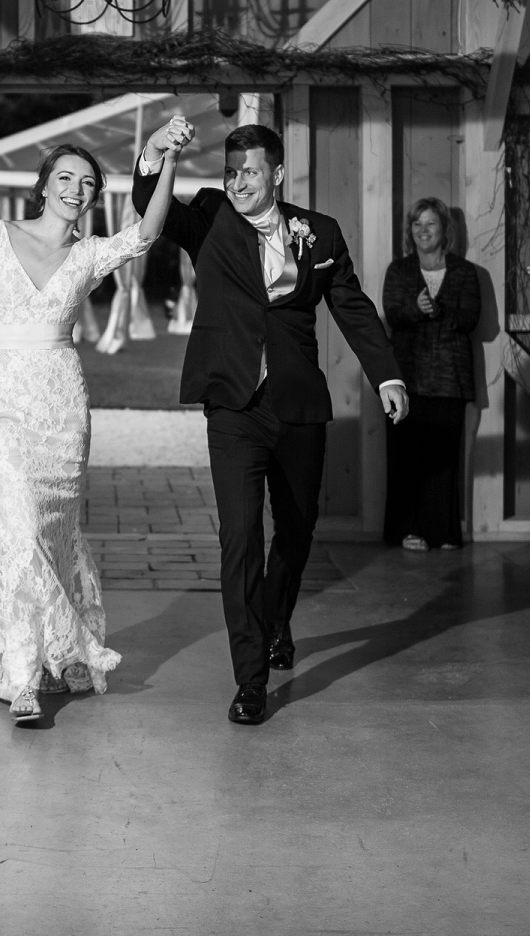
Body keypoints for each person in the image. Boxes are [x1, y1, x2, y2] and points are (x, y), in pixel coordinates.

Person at [0, 137, 184, 723]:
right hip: (3, 400)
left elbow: (146, 233)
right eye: (66, 179)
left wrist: (165, 159)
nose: (77, 191)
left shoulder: (92, 253)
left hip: (62, 405)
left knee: (52, 529)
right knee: (18, 523)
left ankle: (62, 651)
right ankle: (22, 678)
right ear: (43, 185)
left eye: (88, 183)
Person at [131, 122, 407, 727]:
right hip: (233, 405)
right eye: (231, 172)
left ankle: (277, 616)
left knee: (299, 529)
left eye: (249, 172)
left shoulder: (320, 233)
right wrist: (155, 153)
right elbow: (150, 205)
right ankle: (250, 679)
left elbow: (352, 306)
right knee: (239, 539)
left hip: (297, 403)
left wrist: (387, 374)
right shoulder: (208, 216)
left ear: (276, 174)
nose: (237, 183)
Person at [381, 197, 480, 551]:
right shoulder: (399, 270)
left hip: (450, 380)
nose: (423, 231)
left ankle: (444, 532)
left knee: (444, 461)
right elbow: (392, 315)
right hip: (406, 380)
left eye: (430, 225)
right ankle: (408, 530)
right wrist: (415, 309)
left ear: (444, 231)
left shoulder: (466, 272)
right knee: (407, 460)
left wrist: (438, 310)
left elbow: (471, 319)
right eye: (417, 225)